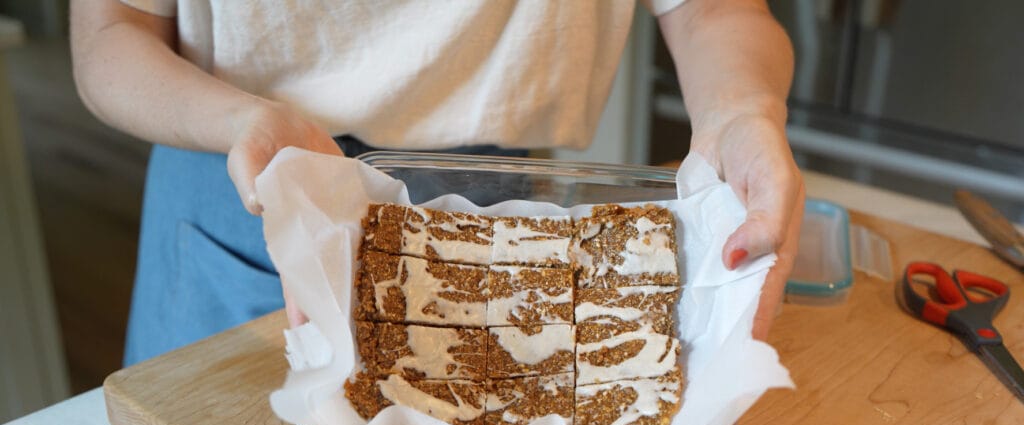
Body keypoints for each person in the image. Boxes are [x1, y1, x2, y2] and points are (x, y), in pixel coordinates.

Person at [70, 0, 803, 365]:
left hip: (494, 200)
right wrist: (239, 124)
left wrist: (742, 108)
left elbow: (717, 9)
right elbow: (113, 32)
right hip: (245, 177)